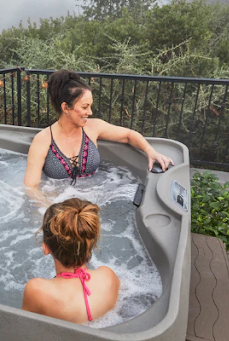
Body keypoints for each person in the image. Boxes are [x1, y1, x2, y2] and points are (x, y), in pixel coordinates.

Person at [24, 69, 174, 189]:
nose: (90, 112)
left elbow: (128, 135)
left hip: (96, 197)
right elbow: (31, 187)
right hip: (59, 204)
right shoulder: (43, 140)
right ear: (66, 107)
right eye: (85, 107)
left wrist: (150, 151)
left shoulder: (93, 127)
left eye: (90, 106)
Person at [22, 198, 120, 323]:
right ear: (90, 245)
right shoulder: (108, 276)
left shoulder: (37, 290)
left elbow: (24, 328)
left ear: (45, 248)